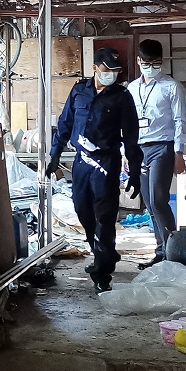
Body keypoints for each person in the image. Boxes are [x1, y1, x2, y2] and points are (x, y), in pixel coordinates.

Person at [47, 47, 143, 292]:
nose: (112, 74)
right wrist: (55, 154)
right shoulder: (79, 90)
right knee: (82, 210)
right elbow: (65, 123)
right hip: (81, 162)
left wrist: (134, 171)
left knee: (105, 216)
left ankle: (102, 273)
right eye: (107, 69)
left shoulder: (122, 96)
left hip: (106, 162)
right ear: (95, 68)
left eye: (116, 71)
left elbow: (131, 136)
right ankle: (104, 253)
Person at [129, 39, 186, 268]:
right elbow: (127, 123)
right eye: (147, 63)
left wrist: (179, 152)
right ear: (138, 61)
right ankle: (161, 250)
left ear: (162, 61)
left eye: (156, 63)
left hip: (163, 147)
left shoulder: (172, 87)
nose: (151, 67)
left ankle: (173, 251)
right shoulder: (132, 88)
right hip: (139, 148)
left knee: (158, 199)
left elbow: (180, 120)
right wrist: (126, 152)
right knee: (149, 202)